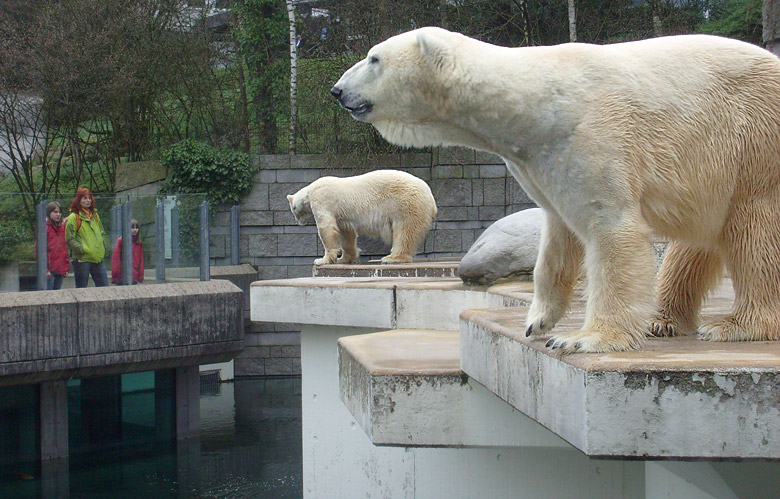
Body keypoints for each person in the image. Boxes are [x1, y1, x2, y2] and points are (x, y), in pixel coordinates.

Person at [65, 188, 109, 288]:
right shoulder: (73, 217)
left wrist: (103, 247)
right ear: (78, 200)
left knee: (105, 289)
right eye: (85, 198)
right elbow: (69, 239)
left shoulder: (95, 215)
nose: (88, 201)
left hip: (98, 258)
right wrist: (82, 250)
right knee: (82, 289)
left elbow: (102, 232)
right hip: (82, 259)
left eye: (89, 198)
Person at [111, 219, 144, 285]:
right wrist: (116, 275)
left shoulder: (139, 243)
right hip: (122, 276)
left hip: (134, 275)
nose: (135, 230)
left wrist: (140, 276)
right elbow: (116, 259)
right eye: (132, 228)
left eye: (136, 228)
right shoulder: (121, 241)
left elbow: (141, 260)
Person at [45, 201, 69, 290]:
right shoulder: (45, 228)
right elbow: (40, 250)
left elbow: (64, 249)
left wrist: (66, 268)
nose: (58, 214)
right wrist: (46, 269)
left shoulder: (61, 229)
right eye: (55, 212)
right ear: (49, 213)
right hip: (50, 270)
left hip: (60, 268)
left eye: (59, 212)